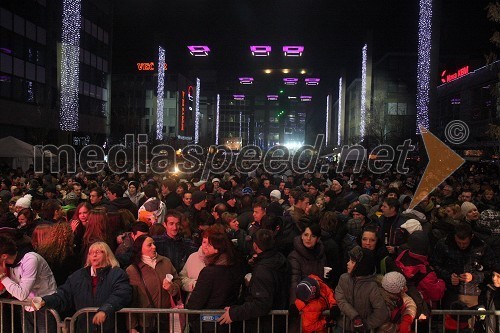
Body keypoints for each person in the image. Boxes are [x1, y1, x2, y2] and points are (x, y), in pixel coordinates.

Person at [35, 242, 131, 333]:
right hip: (85, 327)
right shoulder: (78, 276)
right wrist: (45, 300)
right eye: (91, 253)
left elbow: (121, 294)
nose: (94, 255)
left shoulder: (117, 274)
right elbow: (63, 295)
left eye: (98, 252)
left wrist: (105, 310)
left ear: (107, 254)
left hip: (110, 327)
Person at [218, 229, 290, 332]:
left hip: (264, 324)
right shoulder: (280, 259)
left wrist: (235, 313)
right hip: (277, 322)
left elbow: (261, 303)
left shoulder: (263, 270)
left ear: (255, 246)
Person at [186, 231, 243, 333]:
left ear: (217, 249)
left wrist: (190, 316)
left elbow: (196, 302)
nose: (205, 247)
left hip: (209, 324)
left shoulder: (209, 272)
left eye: (210, 245)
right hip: (229, 323)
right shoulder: (235, 267)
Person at [0, 234, 57, 333]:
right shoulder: (7, 265)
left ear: (4, 256)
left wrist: (3, 277)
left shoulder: (30, 259)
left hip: (44, 306)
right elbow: (6, 290)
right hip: (26, 306)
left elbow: (22, 294)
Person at [126, 235, 182, 333]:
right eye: (149, 245)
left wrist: (172, 287)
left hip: (167, 319)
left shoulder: (166, 262)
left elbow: (178, 281)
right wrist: (132, 326)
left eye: (154, 244)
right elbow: (131, 300)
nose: (154, 247)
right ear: (140, 249)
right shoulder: (132, 270)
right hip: (145, 322)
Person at [335, 246, 388, 332]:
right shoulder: (344, 278)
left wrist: (365, 324)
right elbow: (340, 299)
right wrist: (355, 316)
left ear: (361, 266)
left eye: (352, 262)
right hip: (342, 325)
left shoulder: (372, 286)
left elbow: (381, 312)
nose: (348, 263)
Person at [288, 224, 326, 304]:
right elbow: (294, 282)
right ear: (301, 236)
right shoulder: (294, 256)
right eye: (306, 235)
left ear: (318, 239)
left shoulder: (321, 254)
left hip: (318, 302)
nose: (308, 239)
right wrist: (294, 304)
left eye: (313, 236)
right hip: (302, 302)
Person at [478, 262, 500, 333]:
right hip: (490, 327)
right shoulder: (489, 289)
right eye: (493, 275)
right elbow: (482, 302)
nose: (494, 278)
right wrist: (481, 308)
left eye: (498, 276)